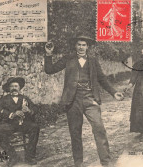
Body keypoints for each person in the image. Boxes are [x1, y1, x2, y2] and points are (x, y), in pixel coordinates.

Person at [44, 35, 124, 167]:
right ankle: (78, 163)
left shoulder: (93, 60)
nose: (81, 47)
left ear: (88, 47)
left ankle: (106, 162)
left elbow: (102, 79)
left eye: (83, 45)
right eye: (79, 44)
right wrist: (48, 54)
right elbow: (49, 70)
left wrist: (114, 92)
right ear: (75, 46)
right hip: (73, 100)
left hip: (90, 98)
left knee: (99, 128)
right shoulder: (68, 59)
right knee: (75, 132)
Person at [0, 77, 40, 167]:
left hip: (24, 123)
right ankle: (12, 155)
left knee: (35, 127)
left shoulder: (25, 98)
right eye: (12, 86)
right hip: (10, 124)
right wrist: (12, 114)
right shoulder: (4, 99)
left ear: (19, 88)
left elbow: (35, 108)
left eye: (16, 86)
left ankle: (29, 156)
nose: (14, 88)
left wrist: (29, 110)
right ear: (9, 88)